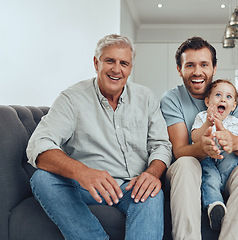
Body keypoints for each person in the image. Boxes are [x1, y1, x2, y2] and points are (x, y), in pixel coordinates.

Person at [26, 34, 172, 240]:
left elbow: (161, 145)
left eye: (124, 63)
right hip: (86, 187)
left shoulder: (146, 97)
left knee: (152, 193)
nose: (116, 69)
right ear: (96, 63)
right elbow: (39, 145)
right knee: (42, 179)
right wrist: (83, 172)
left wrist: (152, 174)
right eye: (110, 60)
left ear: (130, 68)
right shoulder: (72, 98)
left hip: (133, 187)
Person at [160, 36, 238, 240]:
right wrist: (202, 147)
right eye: (190, 65)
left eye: (204, 64)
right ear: (180, 70)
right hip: (193, 171)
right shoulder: (172, 99)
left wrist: (236, 143)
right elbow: (179, 150)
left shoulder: (233, 97)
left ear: (214, 68)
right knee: (186, 163)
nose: (197, 72)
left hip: (228, 167)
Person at [191, 79, 238, 230]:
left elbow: (233, 144)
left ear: (233, 106)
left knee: (234, 161)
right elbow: (195, 137)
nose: (222, 99)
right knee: (209, 177)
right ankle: (215, 206)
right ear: (208, 101)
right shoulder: (202, 117)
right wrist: (208, 123)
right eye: (218, 95)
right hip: (208, 158)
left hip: (226, 160)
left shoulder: (234, 122)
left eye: (228, 97)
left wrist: (221, 131)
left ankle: (226, 193)